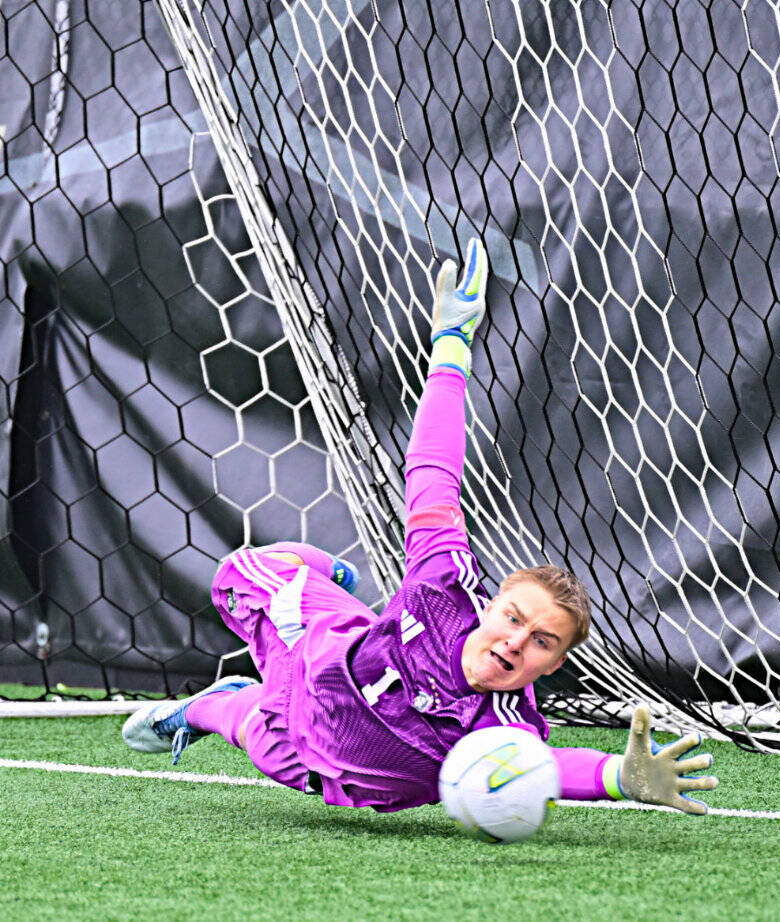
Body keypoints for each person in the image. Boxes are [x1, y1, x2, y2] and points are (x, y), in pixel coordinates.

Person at [123, 238, 718, 815]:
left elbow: (548, 764)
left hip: (324, 766)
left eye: (542, 641)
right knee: (239, 572)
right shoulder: (443, 586)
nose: (516, 642)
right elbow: (433, 473)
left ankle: (211, 705)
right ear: (490, 607)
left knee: (253, 728)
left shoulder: (505, 725)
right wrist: (451, 346)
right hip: (316, 654)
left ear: (553, 665)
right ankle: (331, 575)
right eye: (514, 618)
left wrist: (620, 776)